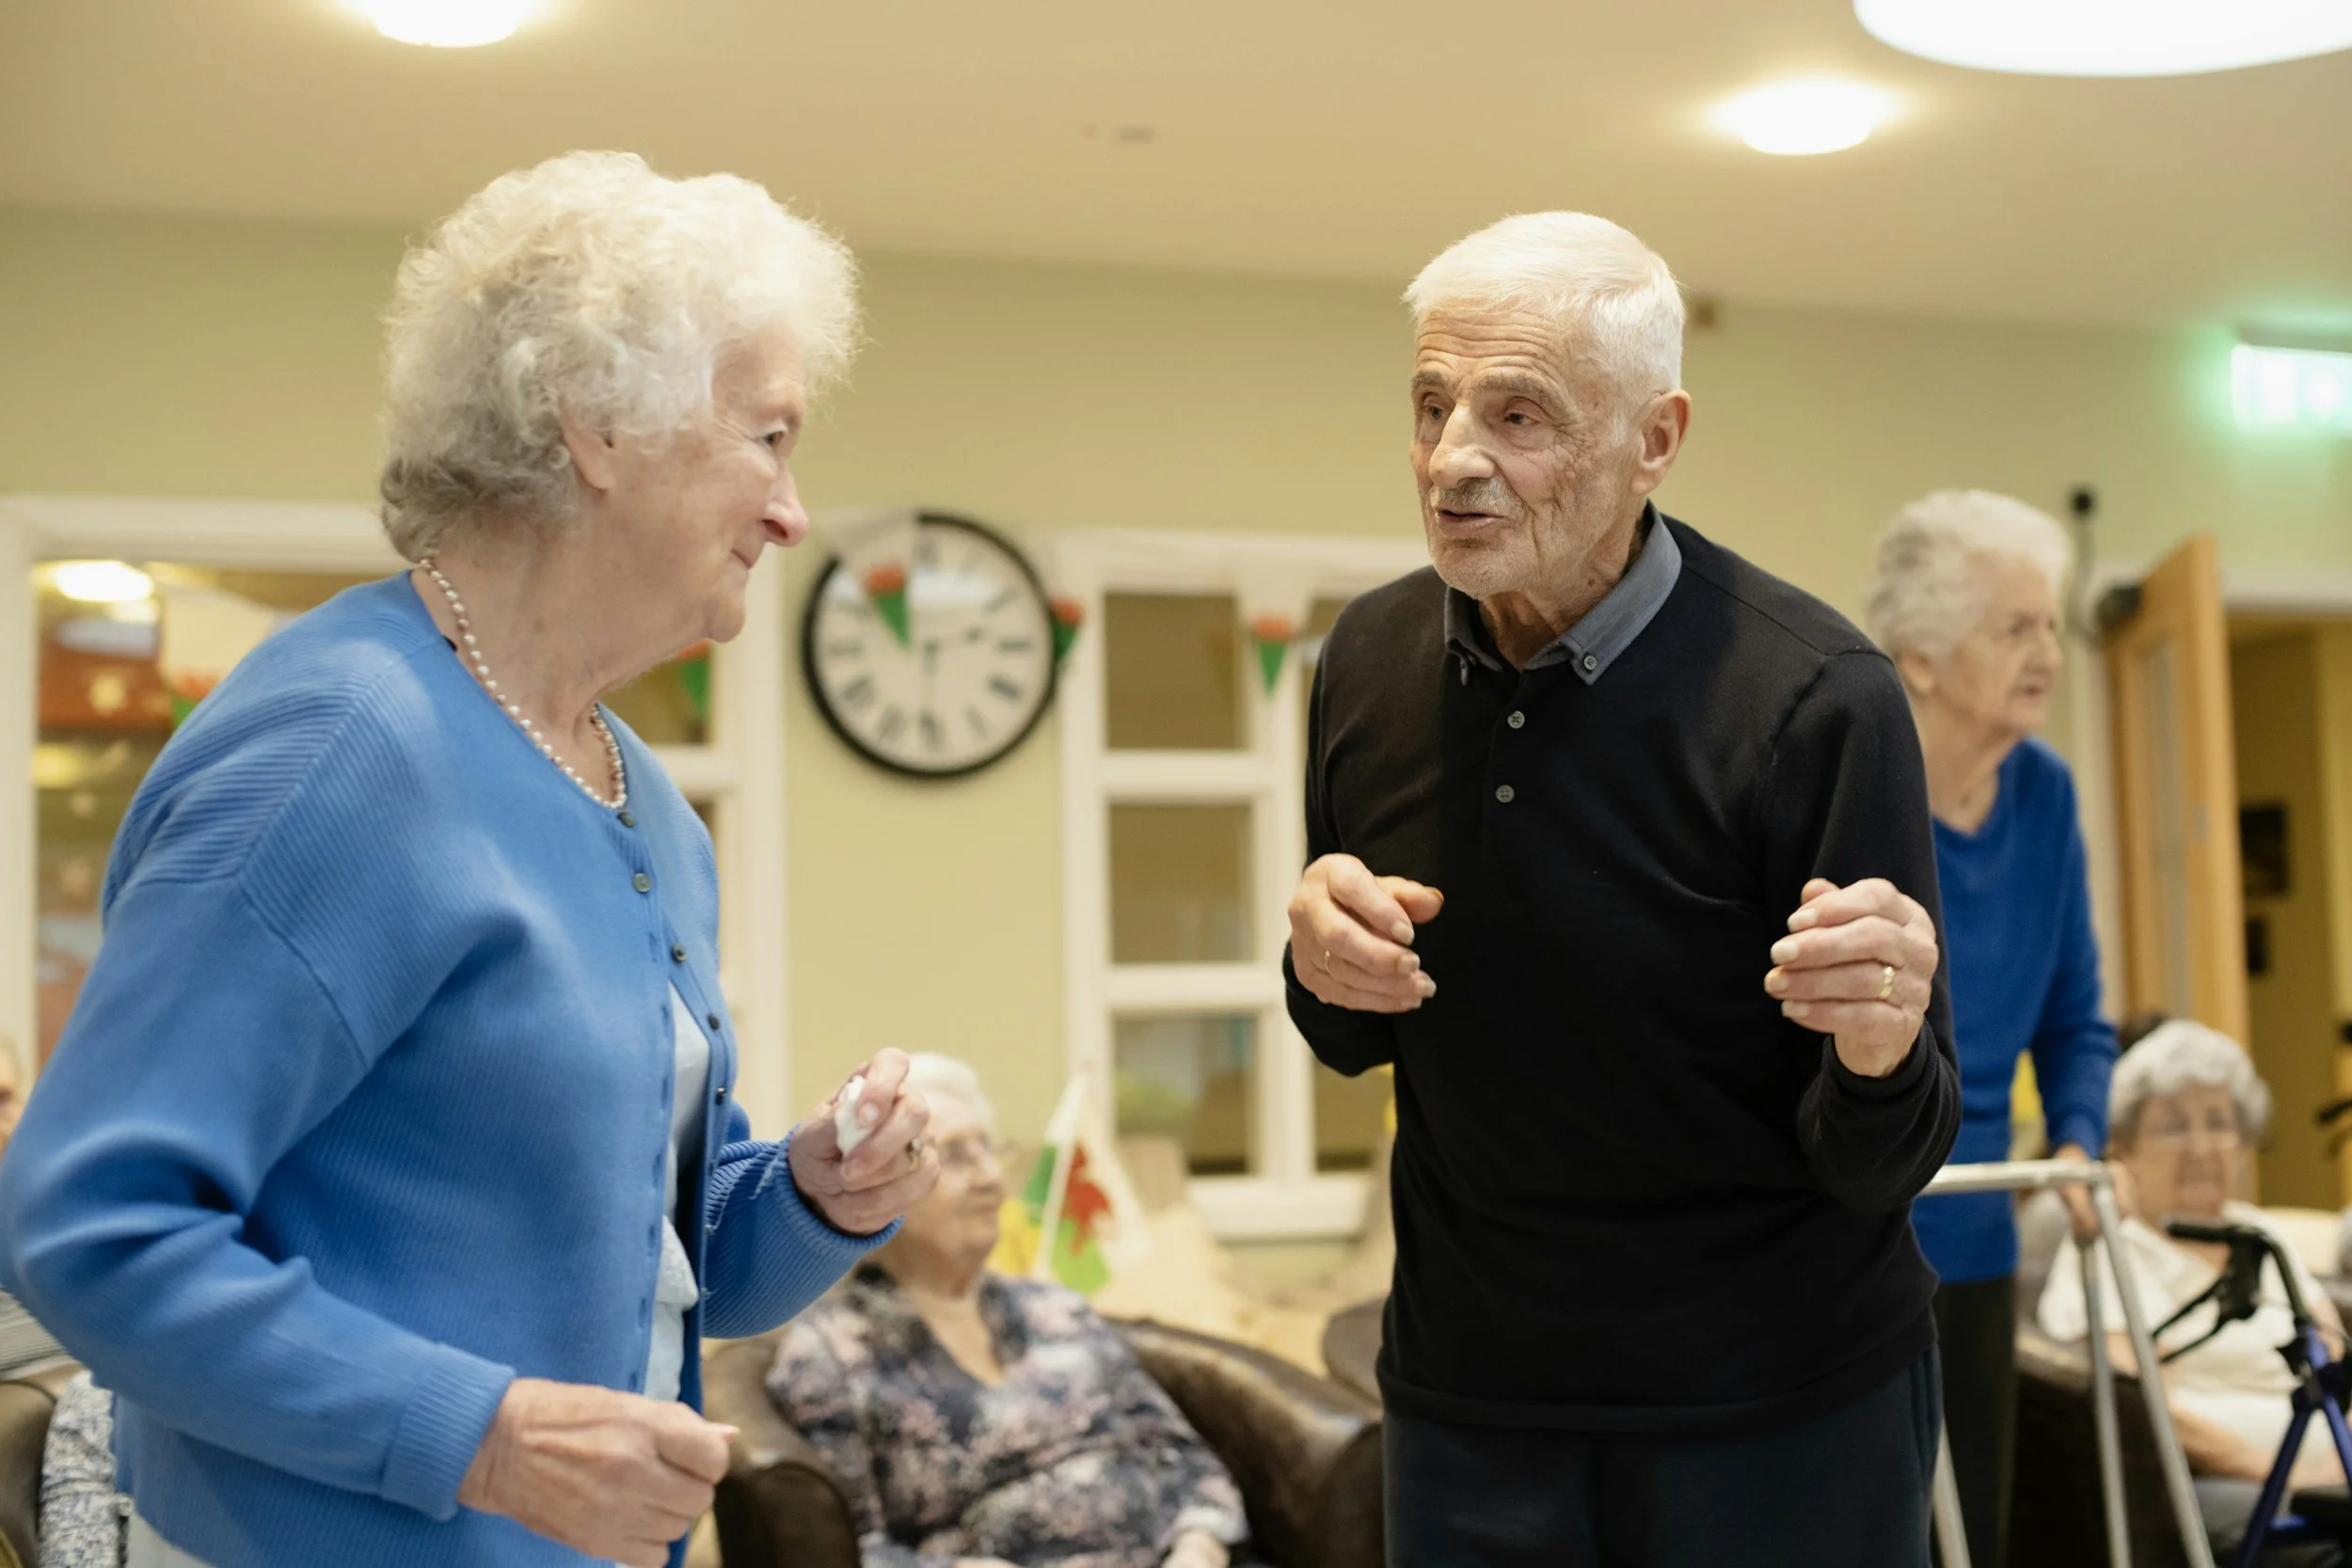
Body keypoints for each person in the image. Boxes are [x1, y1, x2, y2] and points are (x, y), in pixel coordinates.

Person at [0, 151, 939, 1568]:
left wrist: (809, 1191)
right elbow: (86, 1225)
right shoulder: (337, 752)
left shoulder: (645, 801)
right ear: (599, 426)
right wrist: (481, 1433)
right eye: (770, 436)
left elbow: (653, 1253)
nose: (794, 509)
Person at [1282, 211, 1960, 1567]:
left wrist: (1882, 1046)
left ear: (1655, 437)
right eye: (1431, 404)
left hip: (1778, 1406)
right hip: (1474, 1400)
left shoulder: (1815, 697)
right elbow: (1361, 1034)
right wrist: (1319, 968)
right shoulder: (1365, 658)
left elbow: (1886, 1149)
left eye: (1517, 413)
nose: (1452, 459)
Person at [1864, 489, 2121, 1568]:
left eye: (2050, 623)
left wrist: (2074, 1136)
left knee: (1982, 1528)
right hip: (1850, 1247)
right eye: (2015, 627)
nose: (2049, 653)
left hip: (1976, 1241)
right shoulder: (1851, 792)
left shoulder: (2044, 796)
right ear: (1919, 658)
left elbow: (2074, 1014)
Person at [767, 1055, 1248, 1568]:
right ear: (876, 1190)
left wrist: (1200, 1547)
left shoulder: (1057, 1310)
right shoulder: (831, 1355)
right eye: (954, 1157)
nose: (991, 1179)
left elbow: (1185, 1459)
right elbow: (843, 1551)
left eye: (988, 1149)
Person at [2038, 1021, 2344, 1566]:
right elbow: (2144, 1411)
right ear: (2124, 1147)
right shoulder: (2109, 1253)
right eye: (2174, 1127)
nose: (2202, 1147)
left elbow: (2332, 1358)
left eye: (2220, 1123)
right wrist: (2287, 1472)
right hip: (2221, 1481)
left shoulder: (2262, 1237)